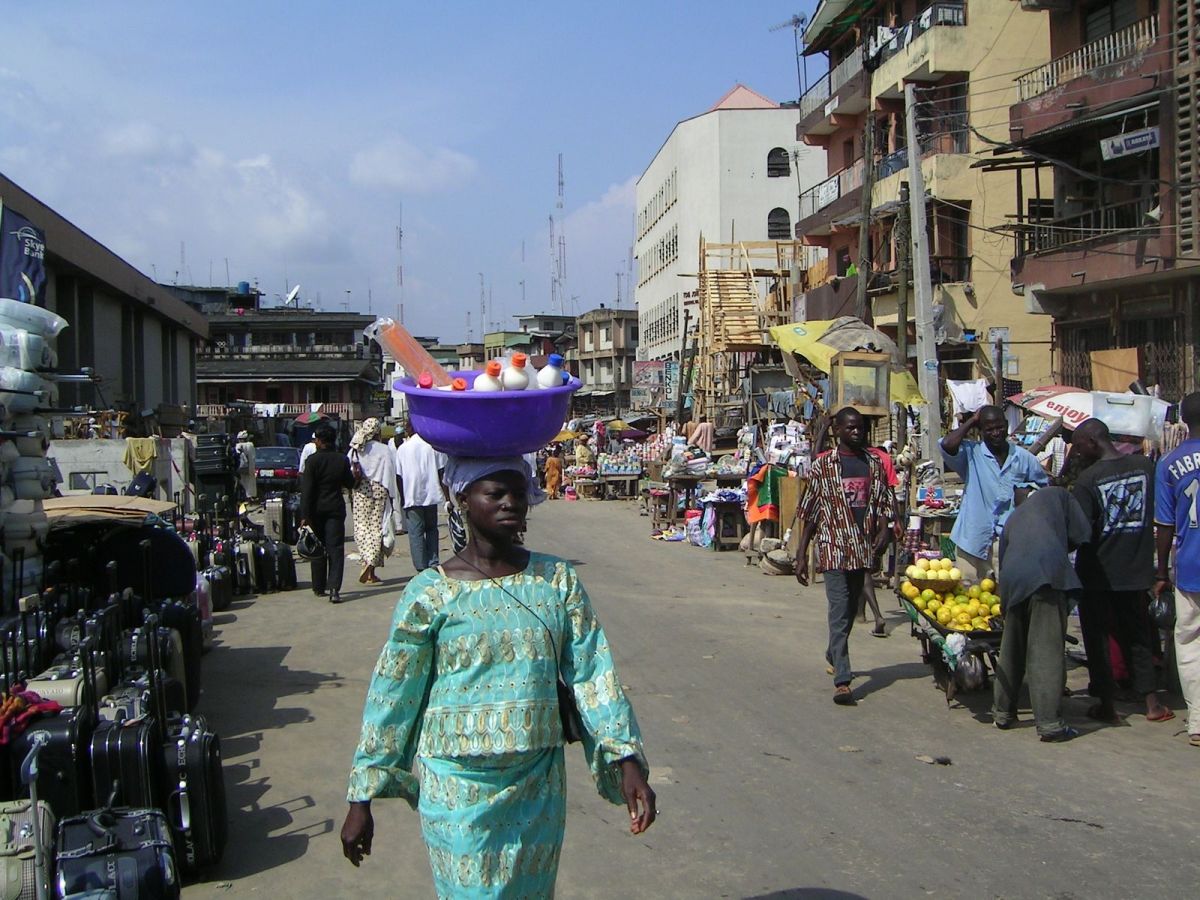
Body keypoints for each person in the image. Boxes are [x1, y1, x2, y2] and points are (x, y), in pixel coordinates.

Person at [341, 456, 656, 895]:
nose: (511, 503)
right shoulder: (430, 593)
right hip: (455, 786)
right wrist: (362, 796)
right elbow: (394, 694)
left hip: (537, 785)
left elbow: (592, 672)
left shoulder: (556, 580)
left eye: (518, 493)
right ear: (464, 499)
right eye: (496, 494)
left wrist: (626, 759)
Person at [1070, 419, 1172, 725]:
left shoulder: (1088, 480)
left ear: (1091, 441)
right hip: (1136, 570)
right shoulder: (1145, 467)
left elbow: (1079, 530)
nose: (1075, 450)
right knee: (1139, 636)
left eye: (1077, 444)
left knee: (1098, 640)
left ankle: (1107, 705)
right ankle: (1152, 703)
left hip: (1097, 573)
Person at [794, 407, 895, 705]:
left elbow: (883, 505)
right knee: (838, 610)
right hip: (834, 548)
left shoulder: (873, 465)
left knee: (851, 609)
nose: (856, 432)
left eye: (860, 427)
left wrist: (884, 530)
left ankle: (833, 652)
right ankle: (843, 679)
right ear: (837, 430)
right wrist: (801, 553)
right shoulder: (823, 468)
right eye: (850, 427)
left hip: (862, 549)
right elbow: (810, 514)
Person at [991, 485, 1091, 742]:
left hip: (1013, 581)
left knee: (1011, 648)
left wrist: (1005, 603)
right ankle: (1050, 724)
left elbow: (1003, 562)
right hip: (1046, 575)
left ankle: (1002, 713)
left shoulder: (1013, 518)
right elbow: (1082, 533)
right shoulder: (1061, 495)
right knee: (1046, 650)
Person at [940, 405, 1047, 583]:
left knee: (1004, 599)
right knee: (969, 599)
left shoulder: (1024, 458)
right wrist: (972, 421)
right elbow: (947, 445)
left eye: (1000, 427)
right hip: (972, 541)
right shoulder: (971, 453)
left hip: (1008, 543)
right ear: (981, 431)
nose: (996, 433)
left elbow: (1043, 489)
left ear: (1006, 425)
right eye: (989, 429)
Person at [1154, 391, 1200, 748]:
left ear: (1183, 421)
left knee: (1189, 643)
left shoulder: (1169, 463)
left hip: (1189, 567)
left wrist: (1160, 572)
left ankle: (1197, 721)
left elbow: (1164, 526)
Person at [299, 423, 354, 604]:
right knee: (336, 549)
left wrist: (304, 516)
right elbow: (350, 483)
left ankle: (318, 586)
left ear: (320, 441)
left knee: (318, 547)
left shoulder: (312, 461)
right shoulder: (341, 460)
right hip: (335, 509)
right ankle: (334, 590)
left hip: (316, 511)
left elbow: (306, 491)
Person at [348, 418, 398, 585]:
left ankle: (367, 564)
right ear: (378, 431)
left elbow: (348, 470)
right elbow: (390, 472)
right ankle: (371, 565)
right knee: (377, 528)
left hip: (361, 491)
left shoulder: (355, 448)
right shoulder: (384, 449)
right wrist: (392, 494)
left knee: (362, 528)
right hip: (380, 491)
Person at [395, 421, 446, 573]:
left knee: (415, 533)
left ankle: (420, 567)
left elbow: (399, 477)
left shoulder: (403, 449)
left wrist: (403, 498)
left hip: (412, 496)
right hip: (431, 495)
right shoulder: (433, 447)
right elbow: (441, 471)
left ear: (411, 429)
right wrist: (447, 497)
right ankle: (433, 562)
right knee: (431, 529)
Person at [234, 430, 257, 501]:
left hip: (240, 468)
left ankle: (241, 496)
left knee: (241, 482)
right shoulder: (250, 445)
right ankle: (250, 497)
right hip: (249, 468)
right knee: (250, 483)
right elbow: (252, 457)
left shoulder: (237, 446)